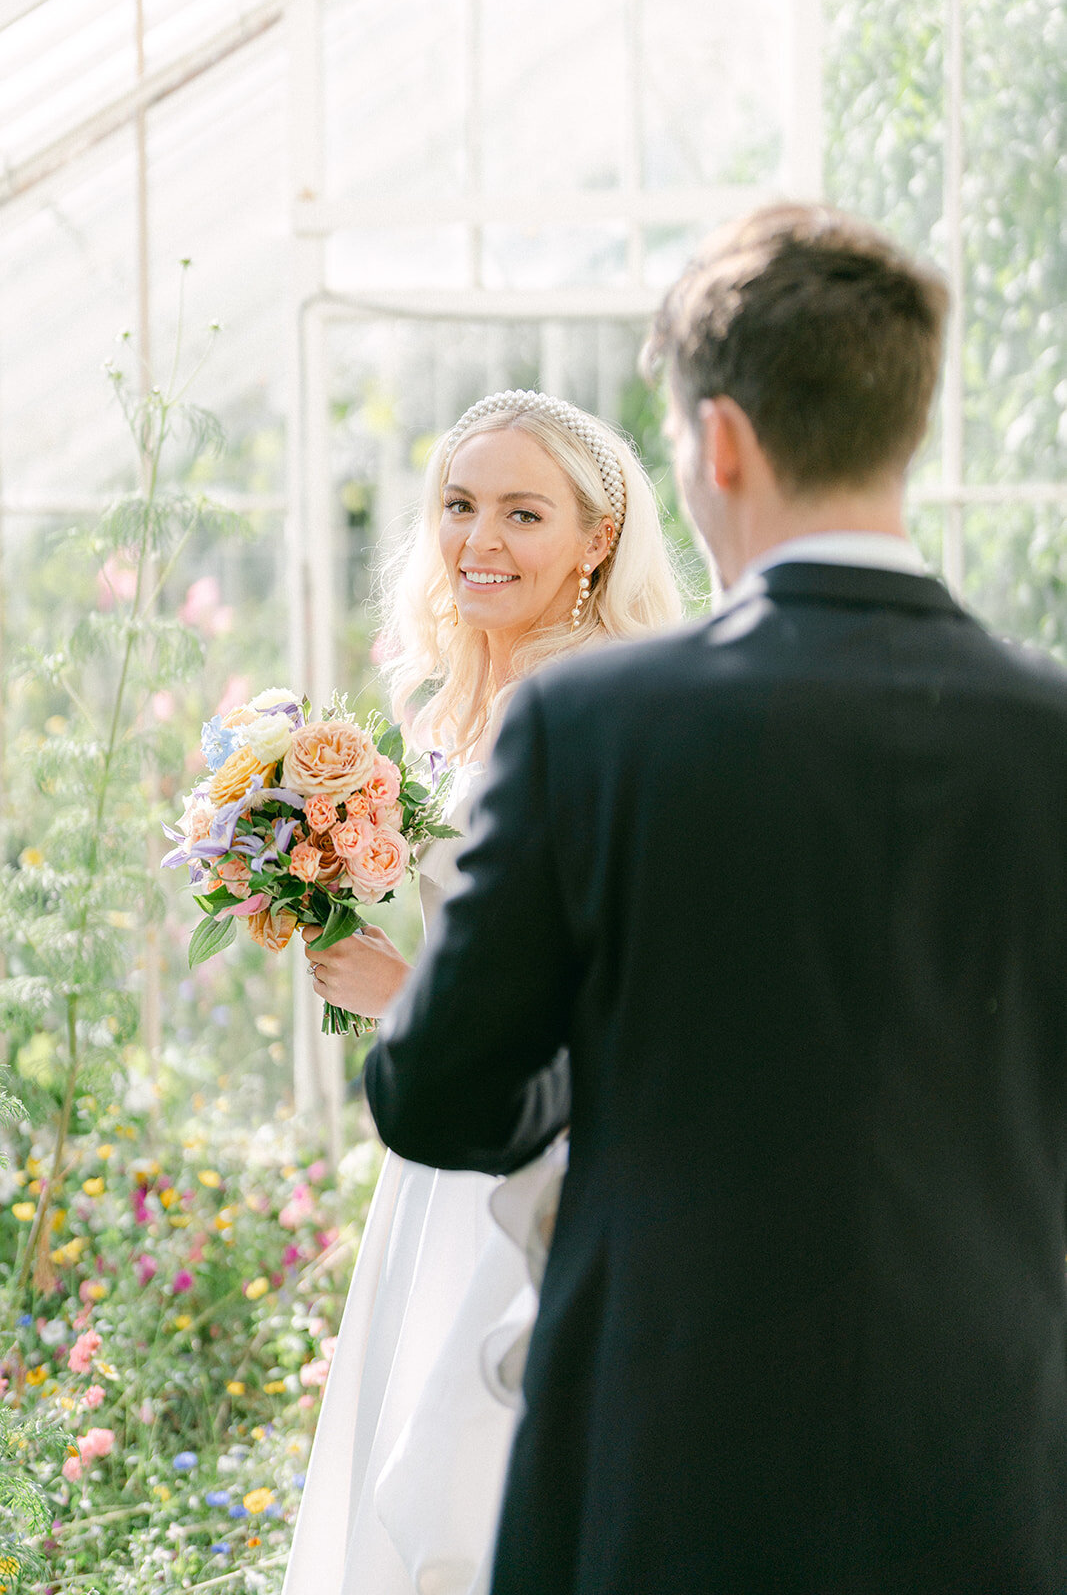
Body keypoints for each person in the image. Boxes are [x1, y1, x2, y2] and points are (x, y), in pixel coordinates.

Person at [363, 203, 1067, 1594]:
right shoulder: (1048, 734)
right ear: (907, 425)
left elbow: (441, 1098)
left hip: (664, 1436)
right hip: (990, 1438)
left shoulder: (587, 726)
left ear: (719, 440)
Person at [282, 390, 684, 1595]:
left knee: (476, 1488)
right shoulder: (473, 702)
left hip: (526, 1147)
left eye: (522, 512)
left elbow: (614, 981)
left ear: (596, 540)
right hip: (447, 1143)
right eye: (459, 505)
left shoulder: (582, 702)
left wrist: (403, 988)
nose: (478, 540)